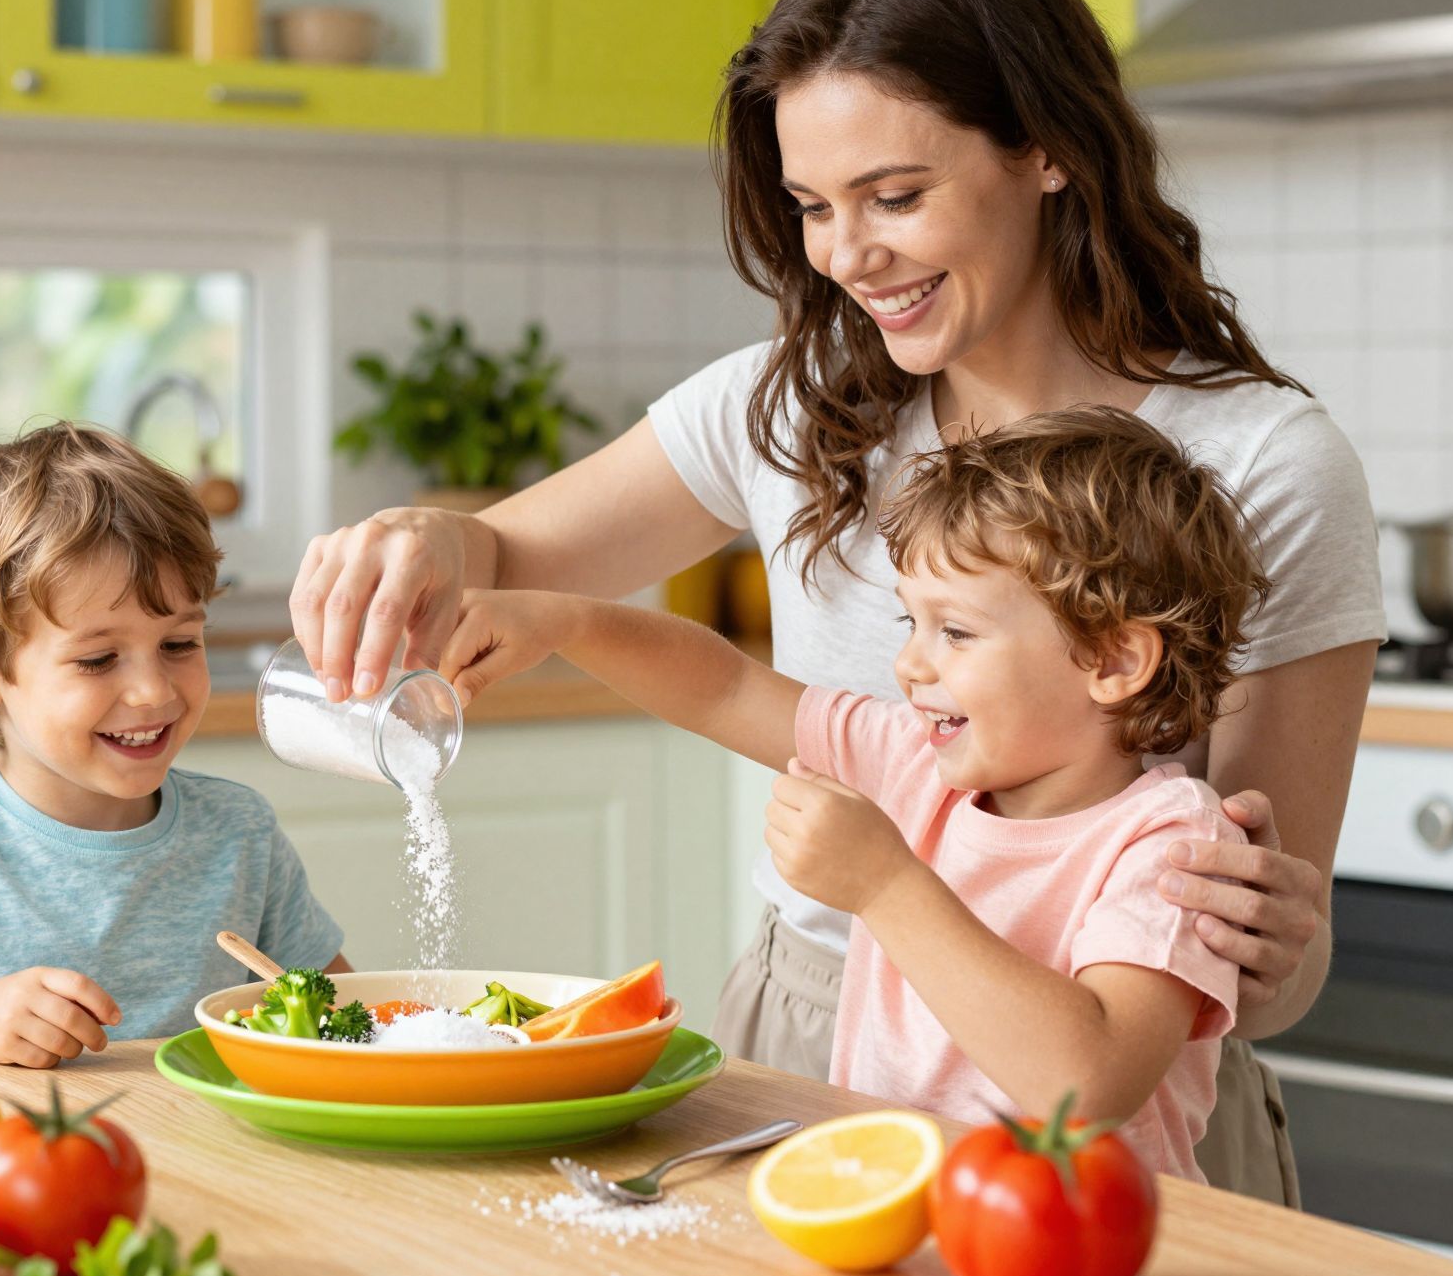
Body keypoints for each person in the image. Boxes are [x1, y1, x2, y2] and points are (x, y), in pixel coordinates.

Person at [290, 0, 1382, 1202]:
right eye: (813, 206)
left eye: (896, 196)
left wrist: (1277, 948)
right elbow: (511, 566)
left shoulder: (1262, 464)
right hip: (824, 1038)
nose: (846, 255)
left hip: (1110, 1109)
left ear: (1045, 148)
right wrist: (436, 540)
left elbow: (1262, 953)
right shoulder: (790, 402)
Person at [439, 409, 1262, 1179]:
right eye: (912, 623)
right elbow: (726, 688)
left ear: (1114, 661)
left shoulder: (1170, 842)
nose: (910, 664)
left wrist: (884, 885)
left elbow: (1089, 1085)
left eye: (956, 631)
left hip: (1077, 1248)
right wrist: (569, 624)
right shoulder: (914, 763)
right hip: (886, 1206)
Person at [0, 422, 347, 1066]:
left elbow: (342, 1021)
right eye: (98, 659)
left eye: (178, 644)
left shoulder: (239, 834)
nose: (152, 691)